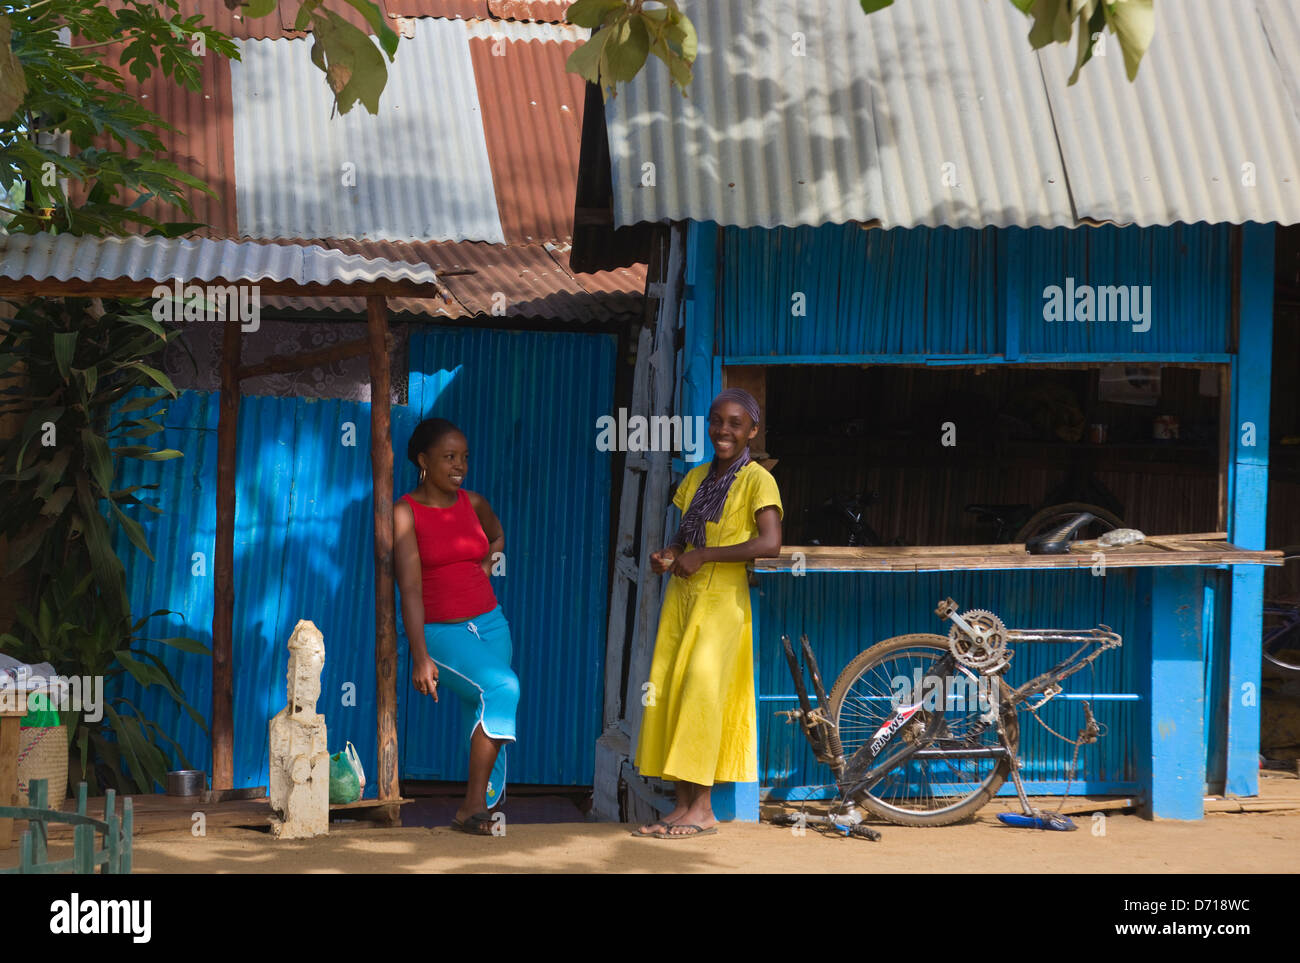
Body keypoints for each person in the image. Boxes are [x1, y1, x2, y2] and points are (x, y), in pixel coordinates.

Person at [632, 388, 783, 838]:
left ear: (752, 432)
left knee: (702, 696)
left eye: (736, 423)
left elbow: (770, 544)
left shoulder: (759, 480)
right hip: (682, 599)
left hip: (721, 605)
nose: (724, 430)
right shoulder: (697, 477)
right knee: (677, 694)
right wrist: (671, 553)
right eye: (717, 421)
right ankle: (682, 806)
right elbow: (683, 538)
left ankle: (704, 809)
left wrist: (707, 555)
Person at [393, 417, 518, 836]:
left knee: (485, 711)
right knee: (503, 688)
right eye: (449, 457)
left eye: (464, 457)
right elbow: (409, 587)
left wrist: (485, 564)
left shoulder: (475, 503)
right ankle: (471, 807)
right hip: (441, 632)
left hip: (491, 624)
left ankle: (485, 811)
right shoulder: (405, 512)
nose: (459, 465)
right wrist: (420, 655)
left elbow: (496, 536)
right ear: (424, 460)